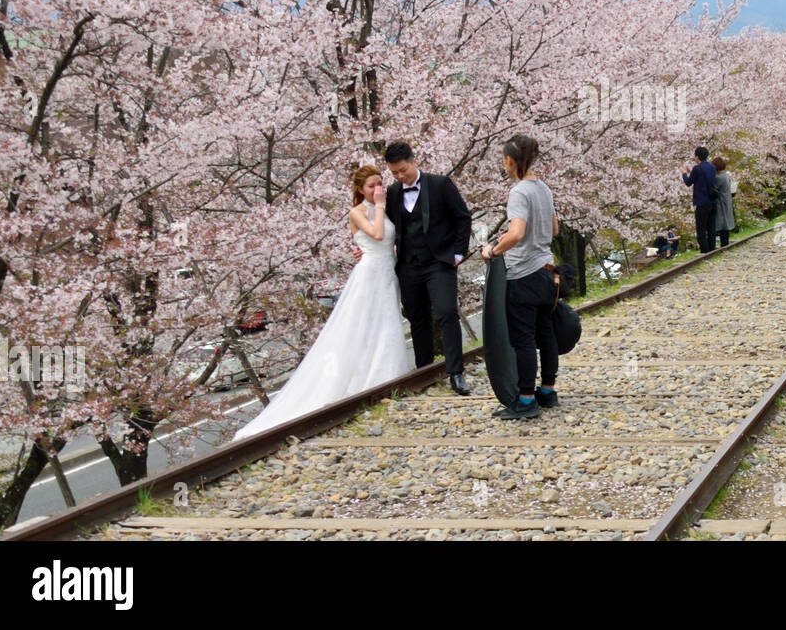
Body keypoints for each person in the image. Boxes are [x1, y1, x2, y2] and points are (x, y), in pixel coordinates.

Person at [235, 166, 413, 441]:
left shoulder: (385, 209)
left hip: (387, 272)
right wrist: (378, 207)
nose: (378, 190)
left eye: (380, 184)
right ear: (359, 190)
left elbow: (390, 239)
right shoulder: (359, 212)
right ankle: (374, 382)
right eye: (371, 186)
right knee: (365, 326)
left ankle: (390, 378)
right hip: (369, 275)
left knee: (386, 324)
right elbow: (377, 235)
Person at [382, 141, 473, 395]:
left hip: (439, 261)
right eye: (395, 173)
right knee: (417, 318)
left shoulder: (440, 184)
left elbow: (462, 217)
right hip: (408, 265)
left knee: (446, 312)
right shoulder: (392, 192)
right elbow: (386, 227)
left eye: (403, 170)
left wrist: (458, 252)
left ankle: (456, 372)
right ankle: (424, 371)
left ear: (414, 161)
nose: (400, 176)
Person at [480, 135, 560, 419]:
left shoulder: (519, 192)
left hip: (523, 274)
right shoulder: (544, 189)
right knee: (545, 333)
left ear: (510, 160)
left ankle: (526, 400)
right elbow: (554, 230)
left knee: (524, 339)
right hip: (547, 272)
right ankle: (548, 391)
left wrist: (493, 250)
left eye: (504, 159)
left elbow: (516, 233)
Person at [682, 146, 718, 253]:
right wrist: (690, 172)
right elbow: (702, 178)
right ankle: (712, 249)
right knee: (711, 227)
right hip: (713, 201)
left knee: (701, 228)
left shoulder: (697, 169)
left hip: (702, 202)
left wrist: (684, 173)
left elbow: (688, 182)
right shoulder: (712, 167)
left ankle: (704, 251)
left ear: (697, 156)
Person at [712, 156, 737, 246]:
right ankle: (725, 244)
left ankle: (724, 244)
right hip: (727, 200)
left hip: (721, 202)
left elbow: (713, 188)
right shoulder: (726, 175)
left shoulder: (719, 178)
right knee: (725, 223)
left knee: (722, 223)